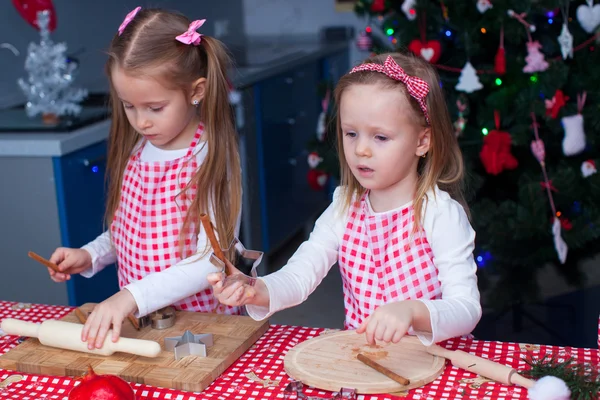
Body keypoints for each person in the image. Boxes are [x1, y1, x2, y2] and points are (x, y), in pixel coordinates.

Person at [209, 53, 482, 346]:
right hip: (363, 362)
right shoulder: (343, 208)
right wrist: (255, 289)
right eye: (351, 133)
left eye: (380, 137)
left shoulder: (440, 214)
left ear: (422, 141)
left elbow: (467, 309)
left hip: (436, 367)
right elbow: (299, 276)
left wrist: (413, 311)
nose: (361, 149)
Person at [46, 7, 242, 350]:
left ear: (196, 91)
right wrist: (91, 255)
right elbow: (130, 229)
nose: (141, 122)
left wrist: (129, 297)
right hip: (144, 323)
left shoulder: (208, 157)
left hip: (201, 329)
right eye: (128, 106)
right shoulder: (139, 148)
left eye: (155, 107)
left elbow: (210, 261)